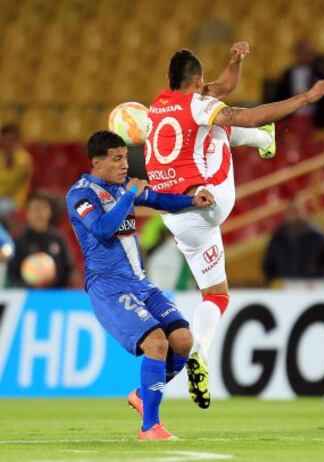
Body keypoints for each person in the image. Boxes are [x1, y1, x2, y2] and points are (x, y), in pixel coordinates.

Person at [144, 47, 324, 409]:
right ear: (198, 82)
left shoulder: (158, 105)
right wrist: (308, 96)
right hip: (208, 199)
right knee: (222, 128)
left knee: (216, 294)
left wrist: (235, 64)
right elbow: (242, 116)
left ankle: (199, 350)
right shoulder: (199, 106)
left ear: (169, 81)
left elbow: (223, 88)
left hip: (175, 217)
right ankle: (267, 139)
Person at [66, 130, 214, 441]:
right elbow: (103, 229)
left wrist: (192, 201)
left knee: (183, 340)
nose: (124, 164)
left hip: (141, 284)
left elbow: (158, 199)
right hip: (109, 287)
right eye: (117, 159)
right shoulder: (80, 195)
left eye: (125, 158)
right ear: (96, 162)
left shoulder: (123, 187)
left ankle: (142, 396)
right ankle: (150, 427)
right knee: (157, 343)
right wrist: (129, 195)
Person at [262, 197, 324, 282]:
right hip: (286, 287)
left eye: (298, 211)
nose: (295, 215)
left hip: (312, 287)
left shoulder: (318, 236)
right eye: (292, 211)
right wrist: (275, 280)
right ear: (287, 214)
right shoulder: (277, 238)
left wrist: (319, 277)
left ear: (305, 212)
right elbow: (268, 264)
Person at [8, 192, 73, 288]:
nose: (40, 213)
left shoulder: (58, 238)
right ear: (28, 213)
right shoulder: (18, 241)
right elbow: (12, 274)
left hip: (55, 294)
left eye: (44, 208)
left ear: (50, 212)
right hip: (28, 295)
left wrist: (53, 282)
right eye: (36, 209)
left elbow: (68, 269)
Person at [0, 123, 33, 215]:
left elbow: (16, 183)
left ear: (17, 141)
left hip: (16, 199)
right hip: (1, 197)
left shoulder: (24, 158)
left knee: (3, 207)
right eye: (5, 140)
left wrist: (12, 159)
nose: (7, 143)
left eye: (11, 140)